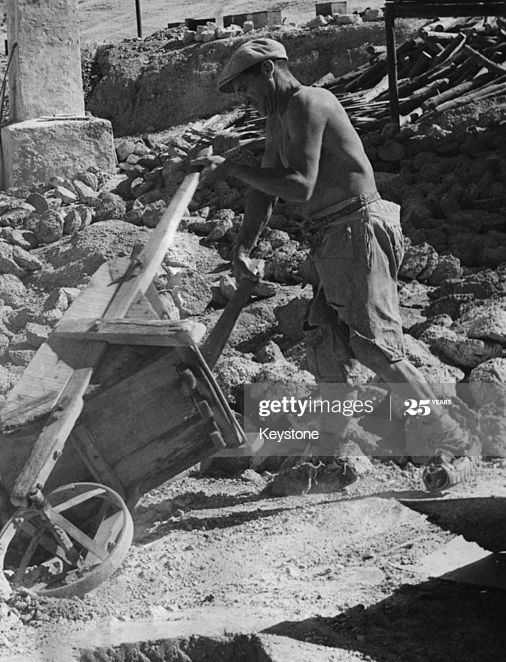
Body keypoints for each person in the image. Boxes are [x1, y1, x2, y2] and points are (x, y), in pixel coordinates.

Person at [200, 38, 478, 491]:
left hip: (357, 227)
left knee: (375, 347)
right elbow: (265, 190)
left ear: (268, 72)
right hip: (332, 236)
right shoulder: (277, 119)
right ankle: (332, 454)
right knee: (326, 343)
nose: (246, 99)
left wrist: (230, 167)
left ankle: (452, 439)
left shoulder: (308, 103)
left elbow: (300, 185)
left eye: (246, 88)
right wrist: (243, 247)